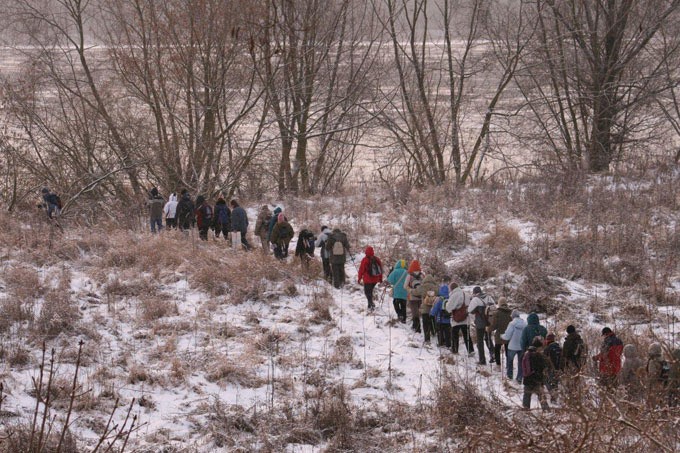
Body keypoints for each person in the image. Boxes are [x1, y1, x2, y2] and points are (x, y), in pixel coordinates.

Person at [467, 286, 495, 366]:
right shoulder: (489, 297)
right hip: (489, 322)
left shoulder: (475, 299)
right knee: (488, 339)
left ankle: (482, 360)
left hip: (480, 324)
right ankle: (493, 355)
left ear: (475, 293)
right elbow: (494, 308)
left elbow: (469, 310)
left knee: (480, 341)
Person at [446, 282, 474, 356]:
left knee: (455, 334)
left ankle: (455, 350)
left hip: (456, 318)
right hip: (465, 317)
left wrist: (447, 306)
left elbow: (449, 308)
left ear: (452, 288)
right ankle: (470, 350)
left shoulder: (454, 295)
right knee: (466, 335)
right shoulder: (466, 294)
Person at [522, 338, 550, 410]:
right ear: (538, 347)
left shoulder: (526, 353)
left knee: (527, 395)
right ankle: (546, 410)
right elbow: (543, 366)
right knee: (541, 396)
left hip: (527, 378)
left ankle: (526, 410)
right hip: (537, 378)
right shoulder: (538, 355)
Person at [501, 310, 527, 383]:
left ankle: (509, 376)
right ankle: (519, 378)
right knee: (521, 362)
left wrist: (502, 336)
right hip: (521, 346)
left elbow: (507, 336)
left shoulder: (512, 324)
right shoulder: (525, 324)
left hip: (512, 346)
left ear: (512, 316)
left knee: (510, 361)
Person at [357, 246, 383, 311]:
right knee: (370, 291)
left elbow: (361, 270)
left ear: (366, 252)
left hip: (367, 280)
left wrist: (359, 278)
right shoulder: (377, 259)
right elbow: (380, 270)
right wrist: (380, 279)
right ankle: (370, 304)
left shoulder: (365, 260)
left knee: (367, 292)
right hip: (375, 280)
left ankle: (371, 304)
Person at [488, 297, 512, 367]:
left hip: (499, 335)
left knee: (497, 350)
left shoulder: (497, 313)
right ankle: (509, 365)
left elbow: (494, 325)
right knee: (508, 351)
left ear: (499, 304)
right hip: (508, 334)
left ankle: (498, 365)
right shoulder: (510, 312)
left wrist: (489, 329)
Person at [403, 260, 424, 333]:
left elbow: (405, 286)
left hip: (412, 297)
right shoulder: (422, 275)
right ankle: (415, 326)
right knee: (418, 311)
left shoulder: (409, 275)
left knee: (414, 312)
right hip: (420, 297)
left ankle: (417, 328)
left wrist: (409, 290)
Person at [419, 274, 439, 343]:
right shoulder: (436, 287)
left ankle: (427, 339)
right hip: (433, 308)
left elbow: (415, 292)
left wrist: (409, 290)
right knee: (433, 321)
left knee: (425, 324)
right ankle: (434, 332)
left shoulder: (422, 287)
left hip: (425, 309)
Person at [646, 343, 668, 407]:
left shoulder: (652, 361)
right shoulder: (664, 361)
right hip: (662, 385)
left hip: (654, 385)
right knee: (661, 402)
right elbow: (666, 373)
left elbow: (652, 374)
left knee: (652, 404)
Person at [543, 333, 562, 403]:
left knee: (547, 382)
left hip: (550, 369)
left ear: (548, 340)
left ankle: (553, 397)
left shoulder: (548, 349)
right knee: (555, 383)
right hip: (558, 369)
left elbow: (544, 359)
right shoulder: (559, 348)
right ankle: (554, 398)